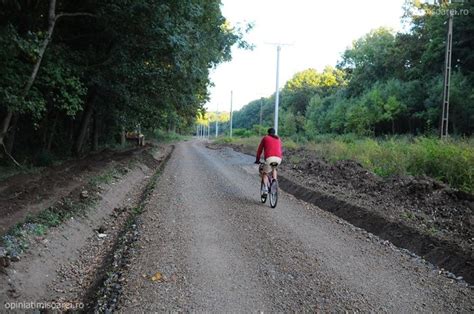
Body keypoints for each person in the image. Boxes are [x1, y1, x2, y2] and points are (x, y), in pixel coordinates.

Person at [255, 128, 282, 194]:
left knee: (265, 173)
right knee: (274, 169)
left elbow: (259, 150)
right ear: (274, 133)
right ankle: (274, 182)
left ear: (268, 133)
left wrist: (257, 160)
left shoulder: (265, 138)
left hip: (269, 158)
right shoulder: (278, 139)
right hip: (278, 158)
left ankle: (266, 189)